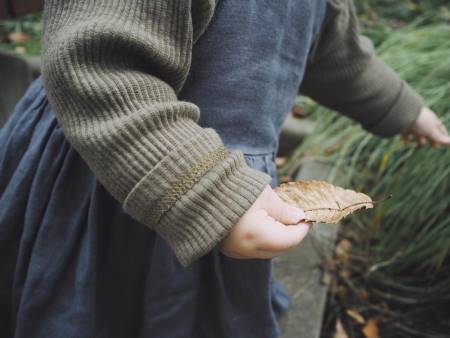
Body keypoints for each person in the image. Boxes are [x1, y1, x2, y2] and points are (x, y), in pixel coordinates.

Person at [1, 0, 449, 337]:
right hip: (123, 175)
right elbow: (99, 64)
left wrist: (402, 108)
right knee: (97, 311)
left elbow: (336, 54)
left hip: (235, 197)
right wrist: (209, 195)